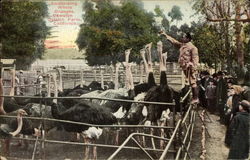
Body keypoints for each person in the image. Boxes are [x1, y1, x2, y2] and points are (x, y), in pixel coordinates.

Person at [160, 31, 199, 103]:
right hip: (184, 67)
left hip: (190, 68)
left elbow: (195, 60)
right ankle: (191, 97)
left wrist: (191, 65)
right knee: (189, 82)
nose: (182, 38)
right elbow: (174, 42)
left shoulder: (193, 48)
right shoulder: (182, 45)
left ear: (188, 38)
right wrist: (166, 35)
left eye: (184, 37)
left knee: (193, 83)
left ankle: (195, 98)